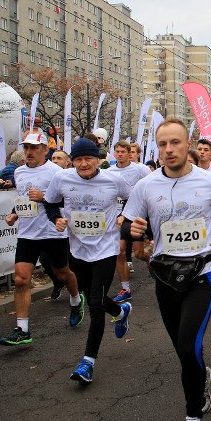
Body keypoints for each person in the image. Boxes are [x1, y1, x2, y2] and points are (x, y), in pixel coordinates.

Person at [122, 118, 211, 421]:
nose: (168, 150)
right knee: (184, 350)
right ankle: (200, 377)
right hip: (164, 277)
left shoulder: (210, 181)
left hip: (202, 274)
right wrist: (132, 230)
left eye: (175, 143)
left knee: (188, 347)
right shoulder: (146, 186)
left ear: (189, 144)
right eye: (162, 144)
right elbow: (129, 223)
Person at [43, 137, 133, 383]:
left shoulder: (113, 178)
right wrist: (55, 219)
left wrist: (124, 216)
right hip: (78, 249)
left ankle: (87, 363)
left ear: (98, 160)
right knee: (94, 295)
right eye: (79, 159)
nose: (84, 164)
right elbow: (49, 203)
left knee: (94, 304)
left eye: (88, 159)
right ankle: (119, 310)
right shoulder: (62, 179)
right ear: (72, 161)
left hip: (106, 248)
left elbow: (134, 199)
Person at [0, 133, 84, 346]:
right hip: (27, 233)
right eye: (26, 147)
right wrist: (14, 214)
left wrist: (44, 196)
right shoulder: (19, 172)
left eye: (34, 147)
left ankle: (76, 299)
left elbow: (68, 198)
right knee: (20, 279)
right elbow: (23, 199)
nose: (28, 151)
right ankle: (22, 329)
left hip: (52, 230)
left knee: (62, 272)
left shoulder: (57, 172)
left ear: (45, 150)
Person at [108, 141, 150, 304]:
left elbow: (151, 185)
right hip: (117, 215)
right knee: (120, 251)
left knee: (139, 253)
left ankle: (149, 261)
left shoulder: (140, 169)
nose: (119, 154)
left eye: (123, 151)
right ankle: (126, 288)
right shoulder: (109, 171)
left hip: (135, 215)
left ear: (128, 153)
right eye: (117, 151)